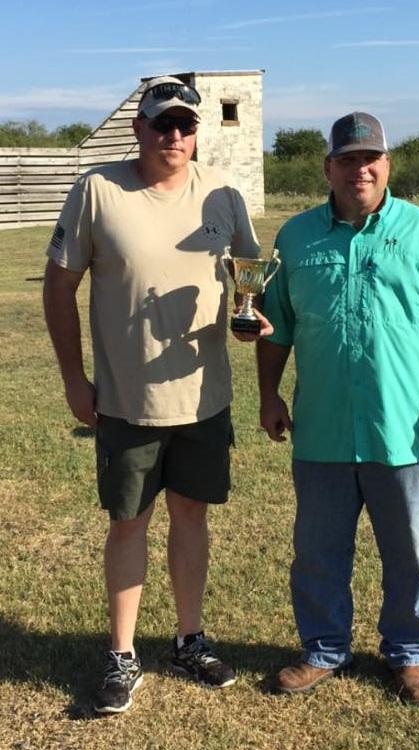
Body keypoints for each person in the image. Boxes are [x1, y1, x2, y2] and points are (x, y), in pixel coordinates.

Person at [44, 76, 271, 715]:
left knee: (192, 517)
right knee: (128, 523)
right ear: (139, 128)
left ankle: (189, 639)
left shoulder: (224, 195)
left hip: (204, 397)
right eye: (163, 124)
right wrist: (73, 378)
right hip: (125, 400)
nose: (175, 136)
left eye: (186, 126)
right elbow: (59, 288)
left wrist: (251, 319)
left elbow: (249, 285)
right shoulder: (97, 190)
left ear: (197, 133)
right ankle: (122, 655)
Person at [257, 111, 419, 704]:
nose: (359, 169)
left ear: (387, 165)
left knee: (407, 550)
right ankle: (323, 648)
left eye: (371, 158)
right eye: (347, 159)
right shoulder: (296, 237)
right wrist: (268, 395)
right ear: (328, 167)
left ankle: (408, 652)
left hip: (400, 428)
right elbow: (275, 328)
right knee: (316, 550)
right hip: (323, 429)